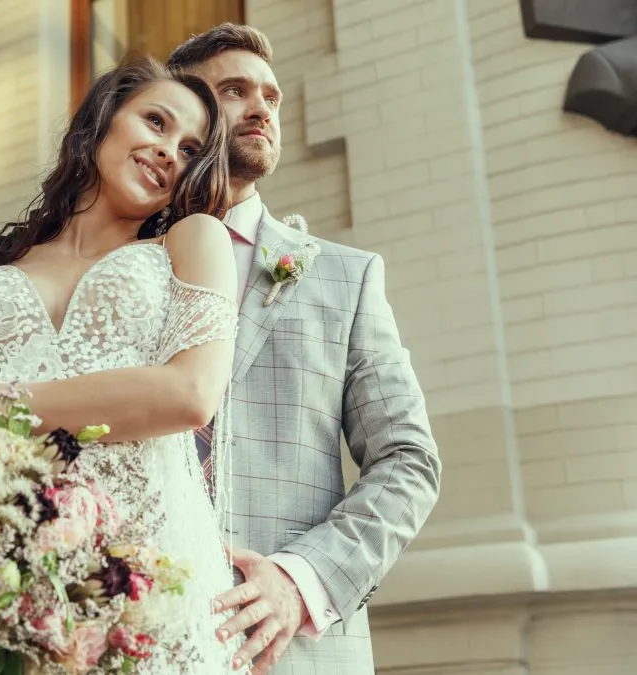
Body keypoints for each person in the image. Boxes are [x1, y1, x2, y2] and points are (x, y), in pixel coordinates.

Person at [0, 55, 241, 673]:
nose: (169, 151)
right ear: (102, 120)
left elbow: (192, 394)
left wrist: (1, 407)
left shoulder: (189, 243)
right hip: (3, 588)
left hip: (145, 578)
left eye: (190, 149)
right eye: (156, 122)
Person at [165, 23, 443, 675]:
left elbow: (408, 460)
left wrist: (300, 580)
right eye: (234, 91)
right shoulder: (116, 268)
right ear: (184, 112)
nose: (262, 108)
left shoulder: (347, 276)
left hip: (293, 655)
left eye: (271, 96)